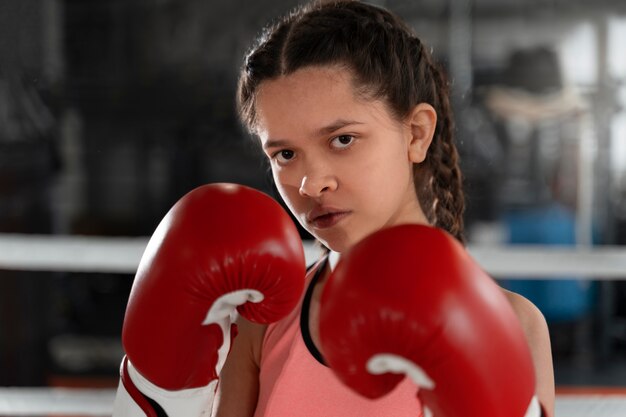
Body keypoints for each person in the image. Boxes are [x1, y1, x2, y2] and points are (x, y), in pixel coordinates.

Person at [213, 1, 555, 416]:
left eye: (342, 140)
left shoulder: (512, 325)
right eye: (285, 154)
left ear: (415, 133)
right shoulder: (260, 324)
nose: (310, 183)